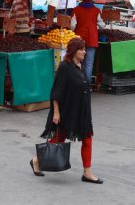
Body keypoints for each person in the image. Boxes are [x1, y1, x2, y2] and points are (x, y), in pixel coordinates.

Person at [30, 37, 103, 184]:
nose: (84, 52)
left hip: (82, 111)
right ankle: (36, 160)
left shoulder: (81, 66)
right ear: (74, 51)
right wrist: (56, 113)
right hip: (67, 111)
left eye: (84, 49)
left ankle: (87, 173)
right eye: (81, 49)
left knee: (87, 139)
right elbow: (56, 92)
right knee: (58, 139)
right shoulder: (65, 67)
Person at [71, 0, 105, 83]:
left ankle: (78, 84)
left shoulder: (76, 10)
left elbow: (73, 25)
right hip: (92, 39)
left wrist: (71, 32)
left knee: (77, 62)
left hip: (79, 40)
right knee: (89, 64)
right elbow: (102, 25)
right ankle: (87, 86)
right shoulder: (96, 10)